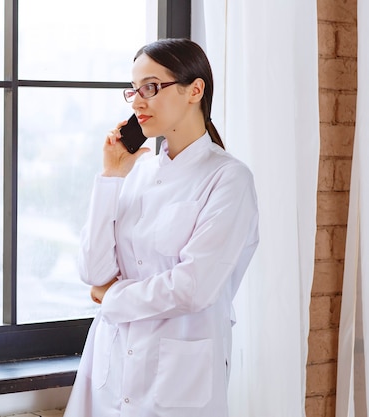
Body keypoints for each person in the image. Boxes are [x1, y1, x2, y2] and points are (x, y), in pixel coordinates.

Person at [63, 38, 259, 417]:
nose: (138, 102)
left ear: (194, 90)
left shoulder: (228, 179)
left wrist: (112, 297)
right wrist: (110, 176)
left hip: (179, 379)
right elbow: (93, 271)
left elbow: (193, 288)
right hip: (112, 365)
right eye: (134, 91)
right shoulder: (136, 172)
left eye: (150, 87)